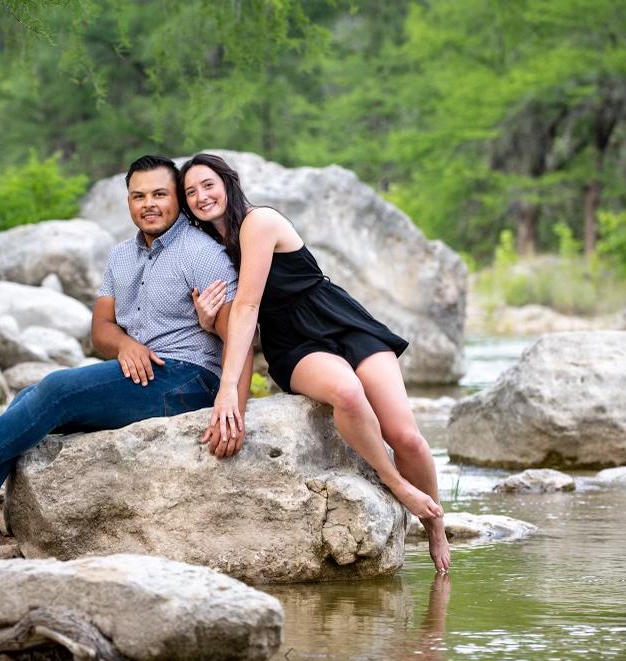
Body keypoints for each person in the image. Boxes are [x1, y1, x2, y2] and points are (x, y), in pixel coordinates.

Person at [0, 154, 253, 538]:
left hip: (189, 380)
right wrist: (125, 344)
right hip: (143, 377)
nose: (149, 204)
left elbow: (239, 337)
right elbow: (100, 331)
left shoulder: (201, 253)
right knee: (30, 397)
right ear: (128, 201)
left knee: (56, 390)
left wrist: (233, 409)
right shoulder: (122, 256)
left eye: (160, 194)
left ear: (177, 199)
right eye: (139, 196)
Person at [179, 153, 451, 572]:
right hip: (292, 344)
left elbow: (249, 304)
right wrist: (208, 319)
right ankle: (397, 484)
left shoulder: (260, 221)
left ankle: (436, 525)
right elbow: (242, 331)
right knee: (346, 392)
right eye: (190, 192)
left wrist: (227, 392)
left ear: (228, 183)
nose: (201, 196)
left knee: (407, 436)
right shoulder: (209, 252)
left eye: (207, 184)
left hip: (340, 321)